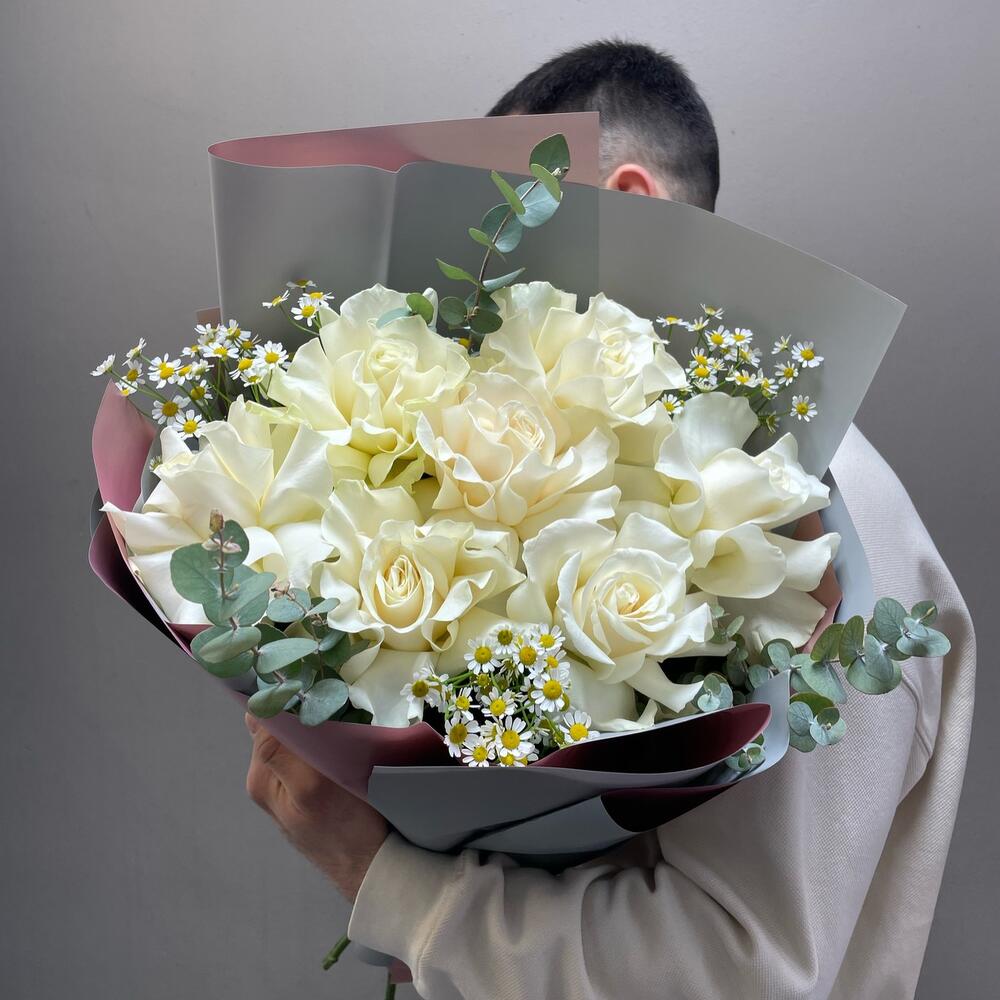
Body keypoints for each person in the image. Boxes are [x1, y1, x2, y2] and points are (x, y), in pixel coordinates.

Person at [244, 40, 976, 999]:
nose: (462, 283)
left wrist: (385, 882)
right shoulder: (614, 471)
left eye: (490, 216)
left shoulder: (817, 525)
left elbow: (738, 976)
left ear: (623, 201)